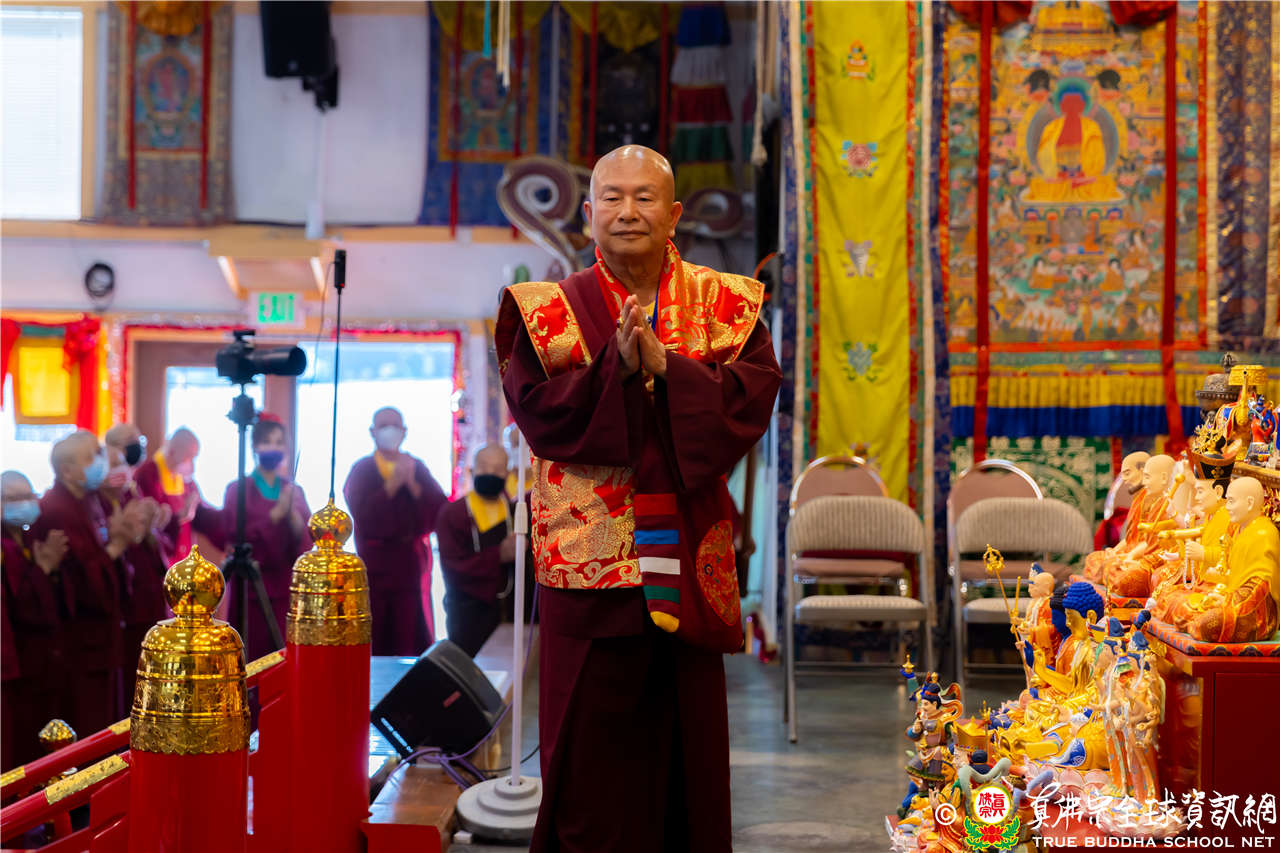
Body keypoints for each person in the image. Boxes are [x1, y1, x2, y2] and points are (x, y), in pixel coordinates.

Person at [495, 144, 781, 851]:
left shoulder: (726, 304)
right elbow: (539, 415)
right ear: (589, 214)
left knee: (687, 756)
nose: (628, 211)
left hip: (686, 554)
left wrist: (670, 370)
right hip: (589, 565)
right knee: (588, 762)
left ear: (673, 213)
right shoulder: (546, 311)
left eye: (644, 197)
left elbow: (751, 400)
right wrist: (614, 372)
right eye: (612, 198)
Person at [31, 431, 142, 734]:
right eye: (93, 456)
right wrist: (116, 546)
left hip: (104, 637)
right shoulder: (57, 508)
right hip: (80, 641)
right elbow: (80, 584)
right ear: (67, 471)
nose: (101, 462)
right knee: (87, 728)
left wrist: (119, 544)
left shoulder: (90, 501)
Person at [192, 414, 310, 661]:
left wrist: (294, 519)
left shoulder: (293, 490)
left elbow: (305, 544)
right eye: (267, 442)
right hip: (251, 588)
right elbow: (235, 534)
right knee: (251, 657)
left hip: (284, 588)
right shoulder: (238, 489)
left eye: (279, 442)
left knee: (283, 658)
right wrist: (275, 515)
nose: (274, 448)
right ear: (255, 446)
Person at [344, 407, 448, 656]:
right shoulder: (362, 470)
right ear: (372, 432)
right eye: (383, 426)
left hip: (410, 568)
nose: (389, 431)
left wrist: (411, 484)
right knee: (377, 633)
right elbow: (362, 515)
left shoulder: (415, 467)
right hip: (375, 567)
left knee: (409, 634)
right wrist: (391, 485)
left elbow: (440, 512)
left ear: (404, 431)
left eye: (395, 425)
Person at [1, 471, 71, 767]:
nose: (24, 503)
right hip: (16, 662)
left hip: (40, 661)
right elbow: (23, 609)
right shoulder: (6, 548)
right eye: (13, 498)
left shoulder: (30, 538)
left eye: (28, 495)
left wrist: (49, 568)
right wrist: (43, 568)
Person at [102, 423, 171, 701]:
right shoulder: (100, 500)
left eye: (137, 440)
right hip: (127, 605)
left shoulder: (132, 489)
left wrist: (154, 526)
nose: (135, 448)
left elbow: (148, 540)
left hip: (148, 598)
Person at [436, 444, 516, 656]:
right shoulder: (453, 514)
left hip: (509, 612)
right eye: (484, 467)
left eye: (498, 469)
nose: (490, 473)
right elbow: (453, 568)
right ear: (471, 471)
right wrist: (499, 555)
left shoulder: (515, 512)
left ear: (508, 474)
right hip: (468, 613)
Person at [133, 427, 200, 559]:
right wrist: (179, 517)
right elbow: (151, 523)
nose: (191, 465)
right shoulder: (148, 474)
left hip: (183, 553)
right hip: (160, 553)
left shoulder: (186, 480)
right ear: (172, 451)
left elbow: (203, 513)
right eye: (188, 457)